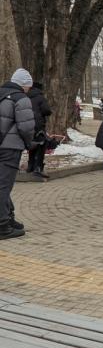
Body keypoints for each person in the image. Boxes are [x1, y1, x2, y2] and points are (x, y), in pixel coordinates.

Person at [0, 69, 35, 239]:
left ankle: (8, 218)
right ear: (24, 85)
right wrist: (30, 144)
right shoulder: (21, 98)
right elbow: (26, 127)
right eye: (28, 86)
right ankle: (2, 226)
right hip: (10, 148)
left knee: (1, 185)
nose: (29, 89)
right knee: (3, 186)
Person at [26, 82, 52, 178]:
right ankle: (38, 168)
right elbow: (47, 110)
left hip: (27, 124)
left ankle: (30, 166)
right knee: (41, 145)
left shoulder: (26, 96)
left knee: (32, 144)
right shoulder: (41, 97)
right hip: (38, 125)